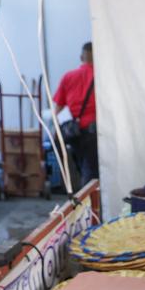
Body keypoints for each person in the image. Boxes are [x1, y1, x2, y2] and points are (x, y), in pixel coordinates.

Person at [53, 42, 98, 188]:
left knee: (81, 167)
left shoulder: (68, 77)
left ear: (81, 57)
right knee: (91, 171)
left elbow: (58, 109)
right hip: (94, 131)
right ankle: (89, 204)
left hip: (75, 132)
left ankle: (82, 199)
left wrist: (56, 130)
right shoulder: (101, 76)